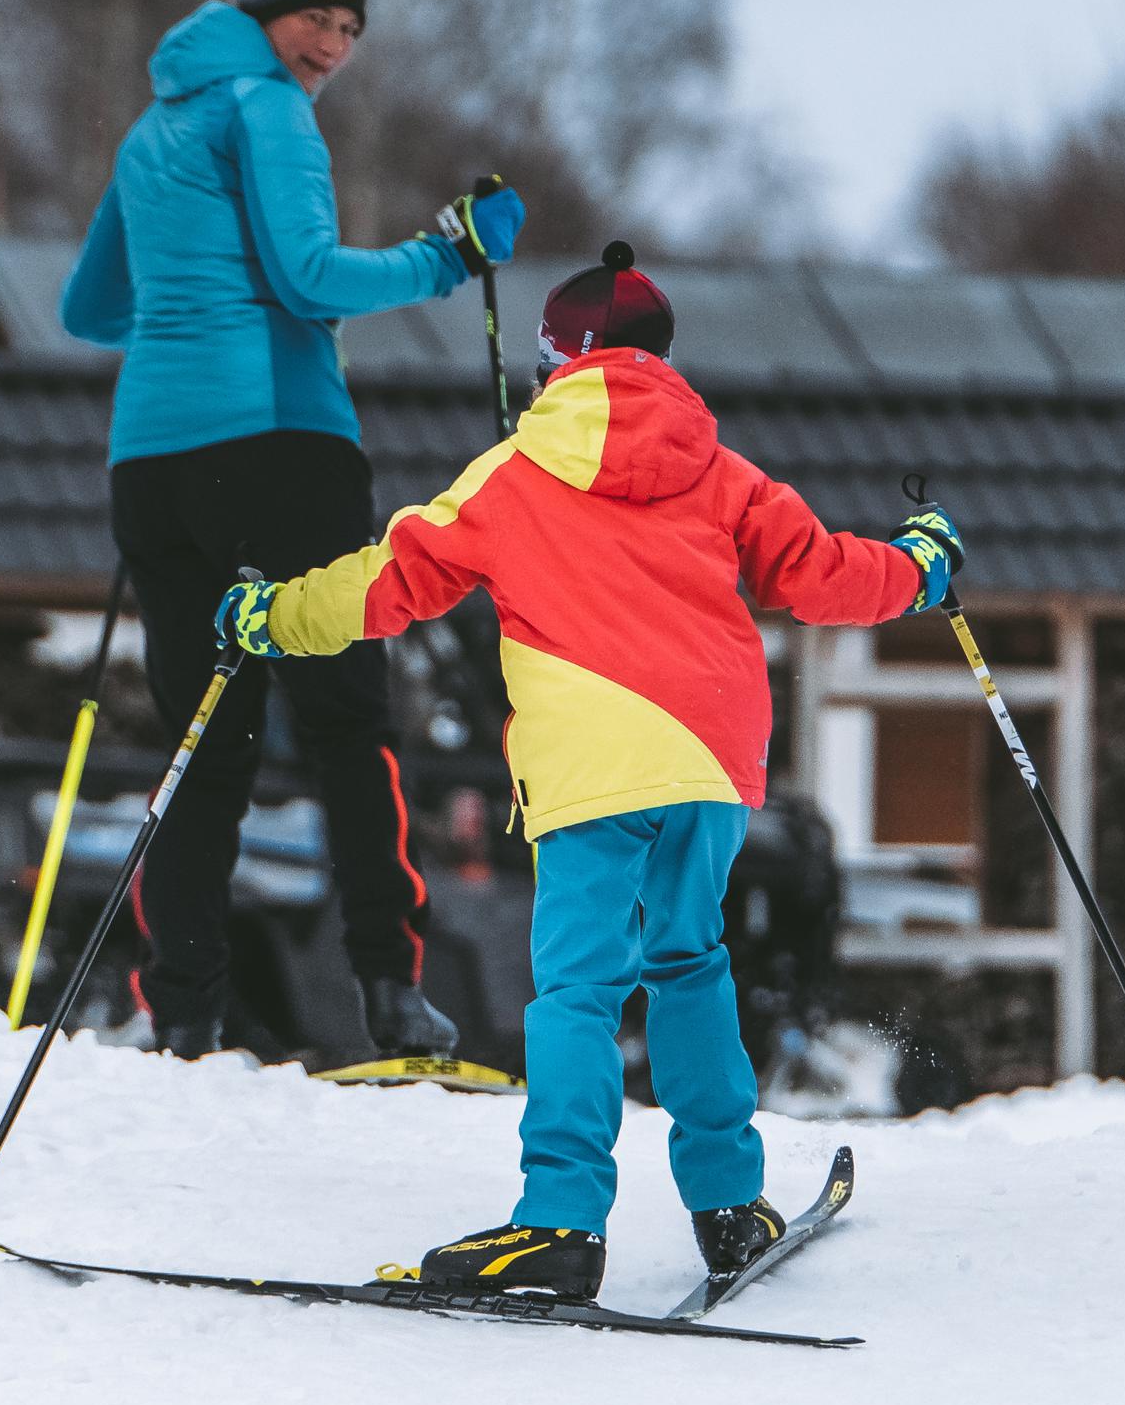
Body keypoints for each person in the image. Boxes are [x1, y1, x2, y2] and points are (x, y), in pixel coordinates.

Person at [218, 242, 965, 1299]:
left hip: (593, 764)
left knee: (576, 992)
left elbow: (387, 584)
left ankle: (562, 1220)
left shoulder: (515, 475)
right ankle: (727, 1205)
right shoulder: (721, 469)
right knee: (692, 967)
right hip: (711, 759)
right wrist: (925, 564)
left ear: (554, 361)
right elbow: (825, 576)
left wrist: (269, 619)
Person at [58, 0, 525, 1067]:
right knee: (347, 723)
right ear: (267, 15)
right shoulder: (267, 108)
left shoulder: (150, 132)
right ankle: (389, 990)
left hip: (152, 464)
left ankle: (186, 1009)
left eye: (352, 25)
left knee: (202, 741)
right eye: (319, 16)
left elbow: (90, 309)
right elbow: (309, 280)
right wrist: (450, 253)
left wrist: (188, 312)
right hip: (280, 448)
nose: (334, 43)